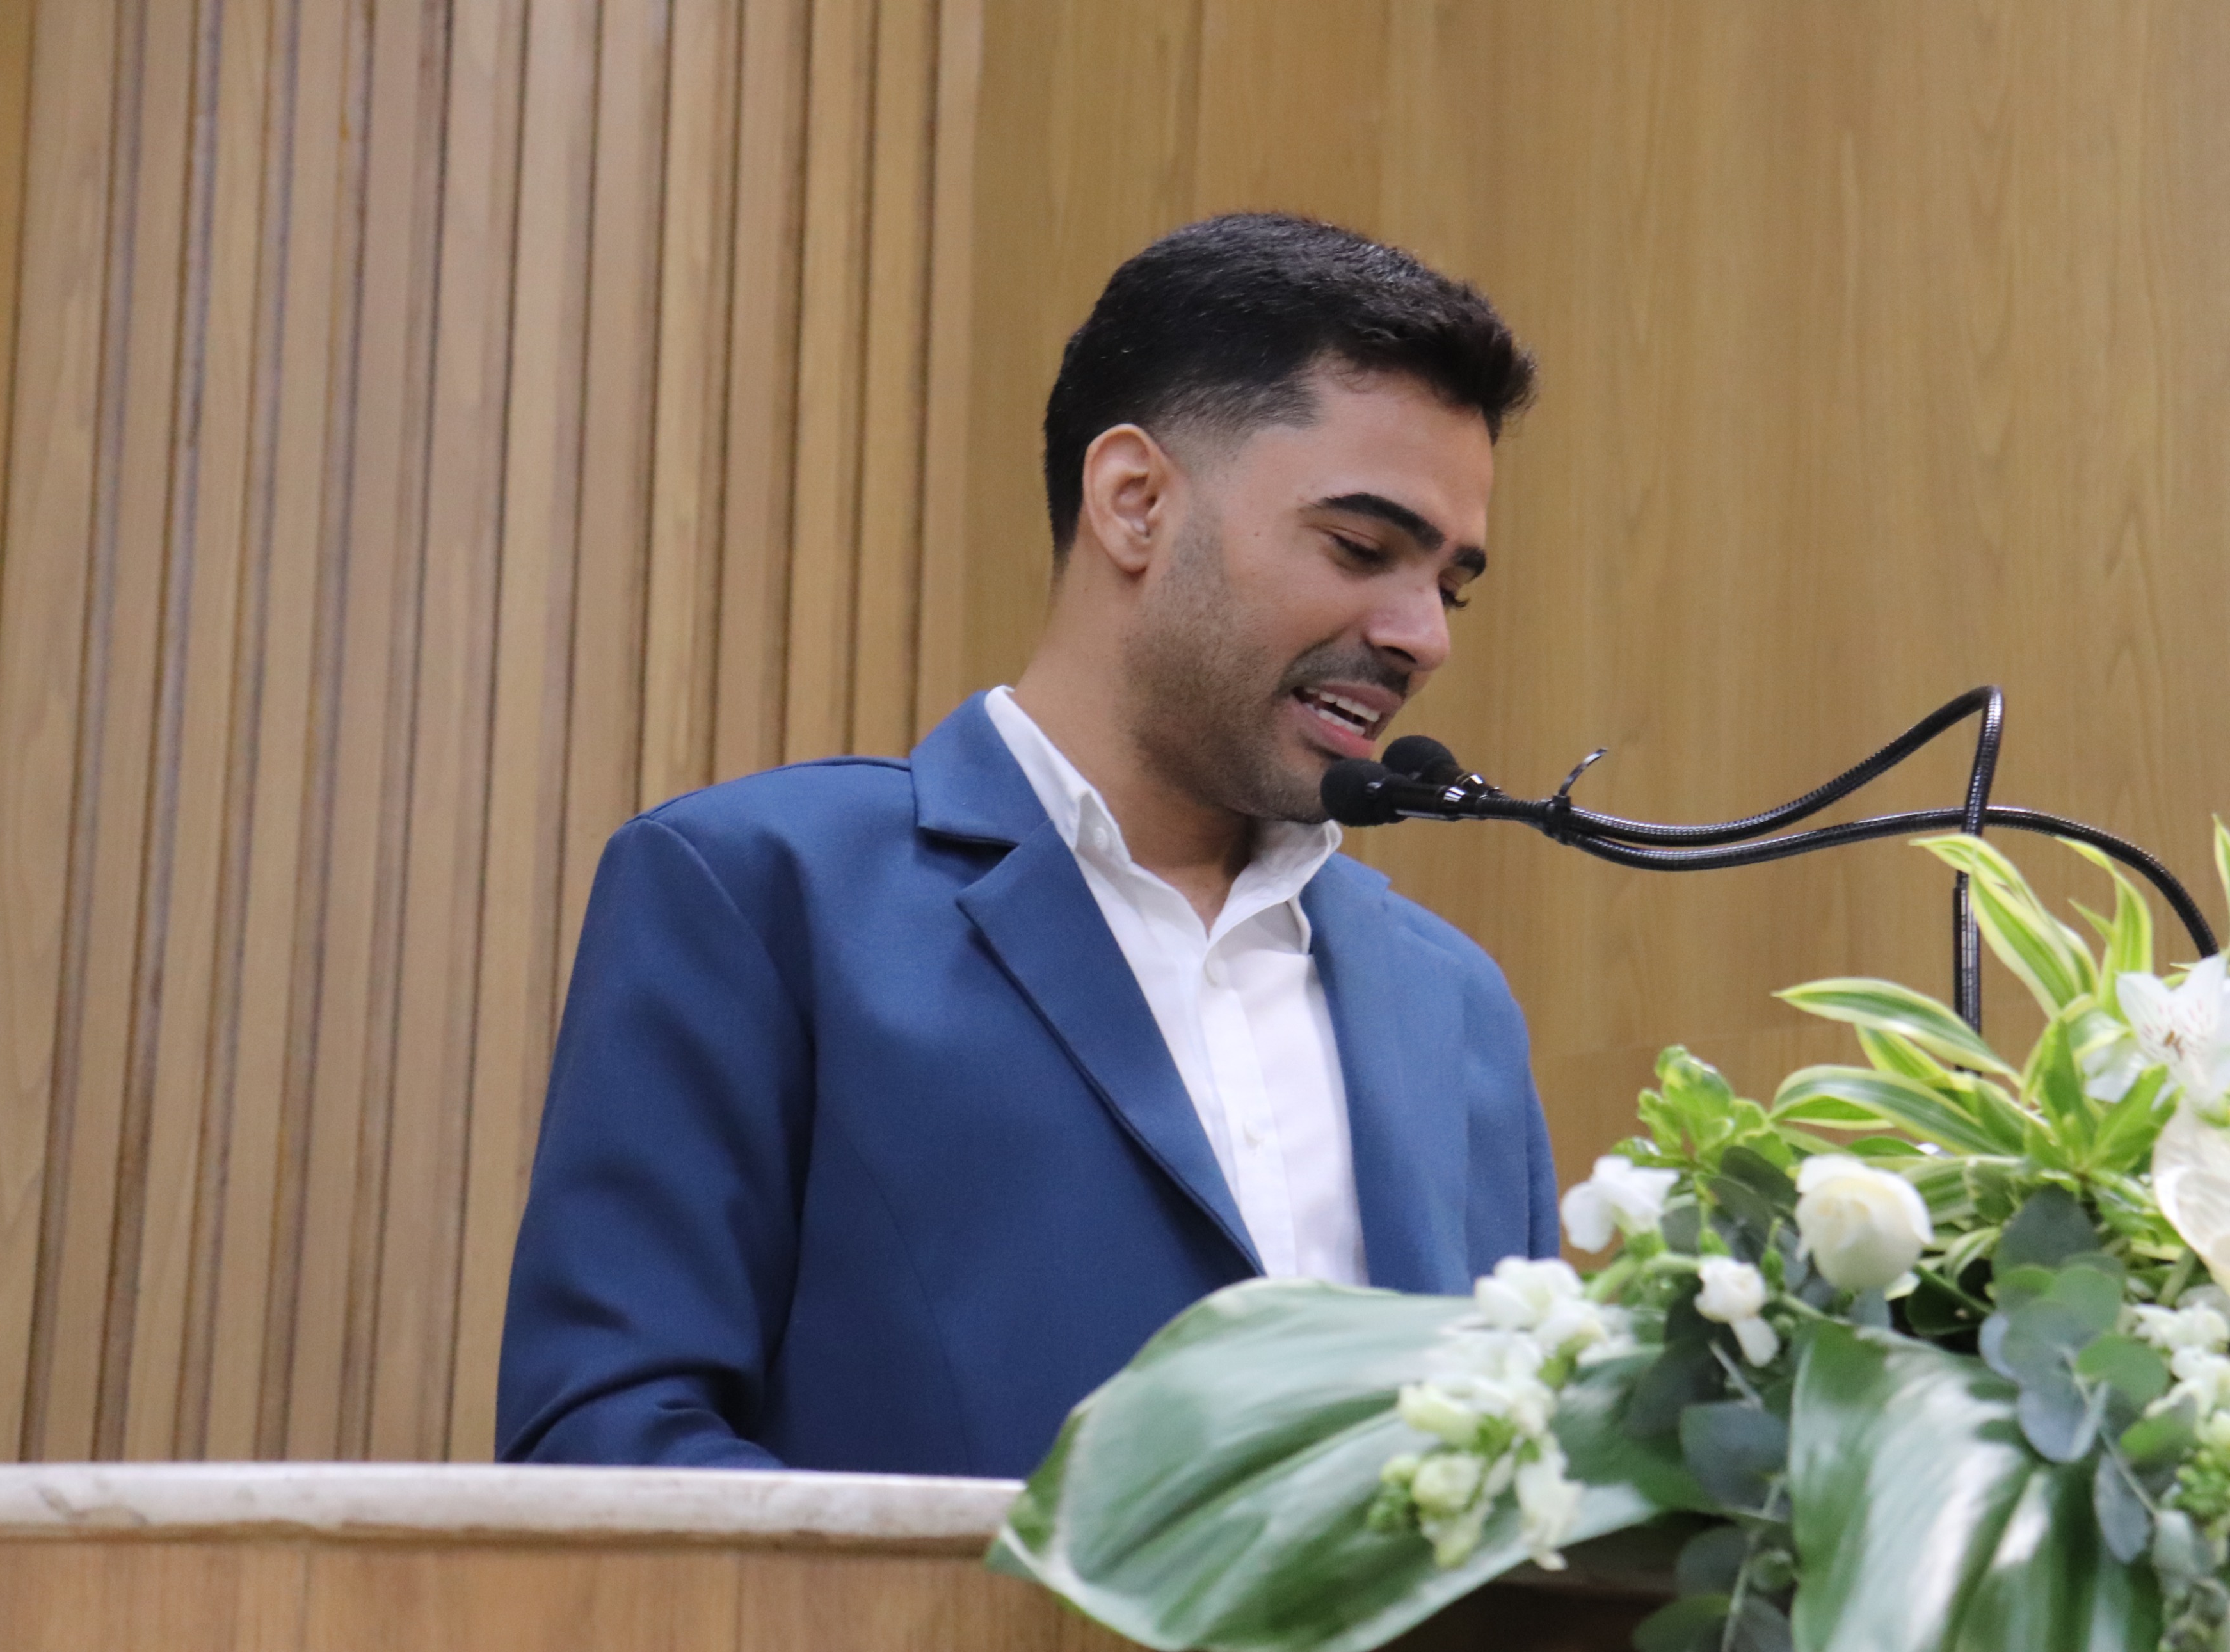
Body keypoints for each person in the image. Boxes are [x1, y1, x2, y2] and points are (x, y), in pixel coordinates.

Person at [496, 213, 1555, 1478]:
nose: (1422, 635)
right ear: (1134, 502)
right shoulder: (759, 893)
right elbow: (611, 1449)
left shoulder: (1457, 1005)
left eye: (1451, 585)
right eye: (1362, 548)